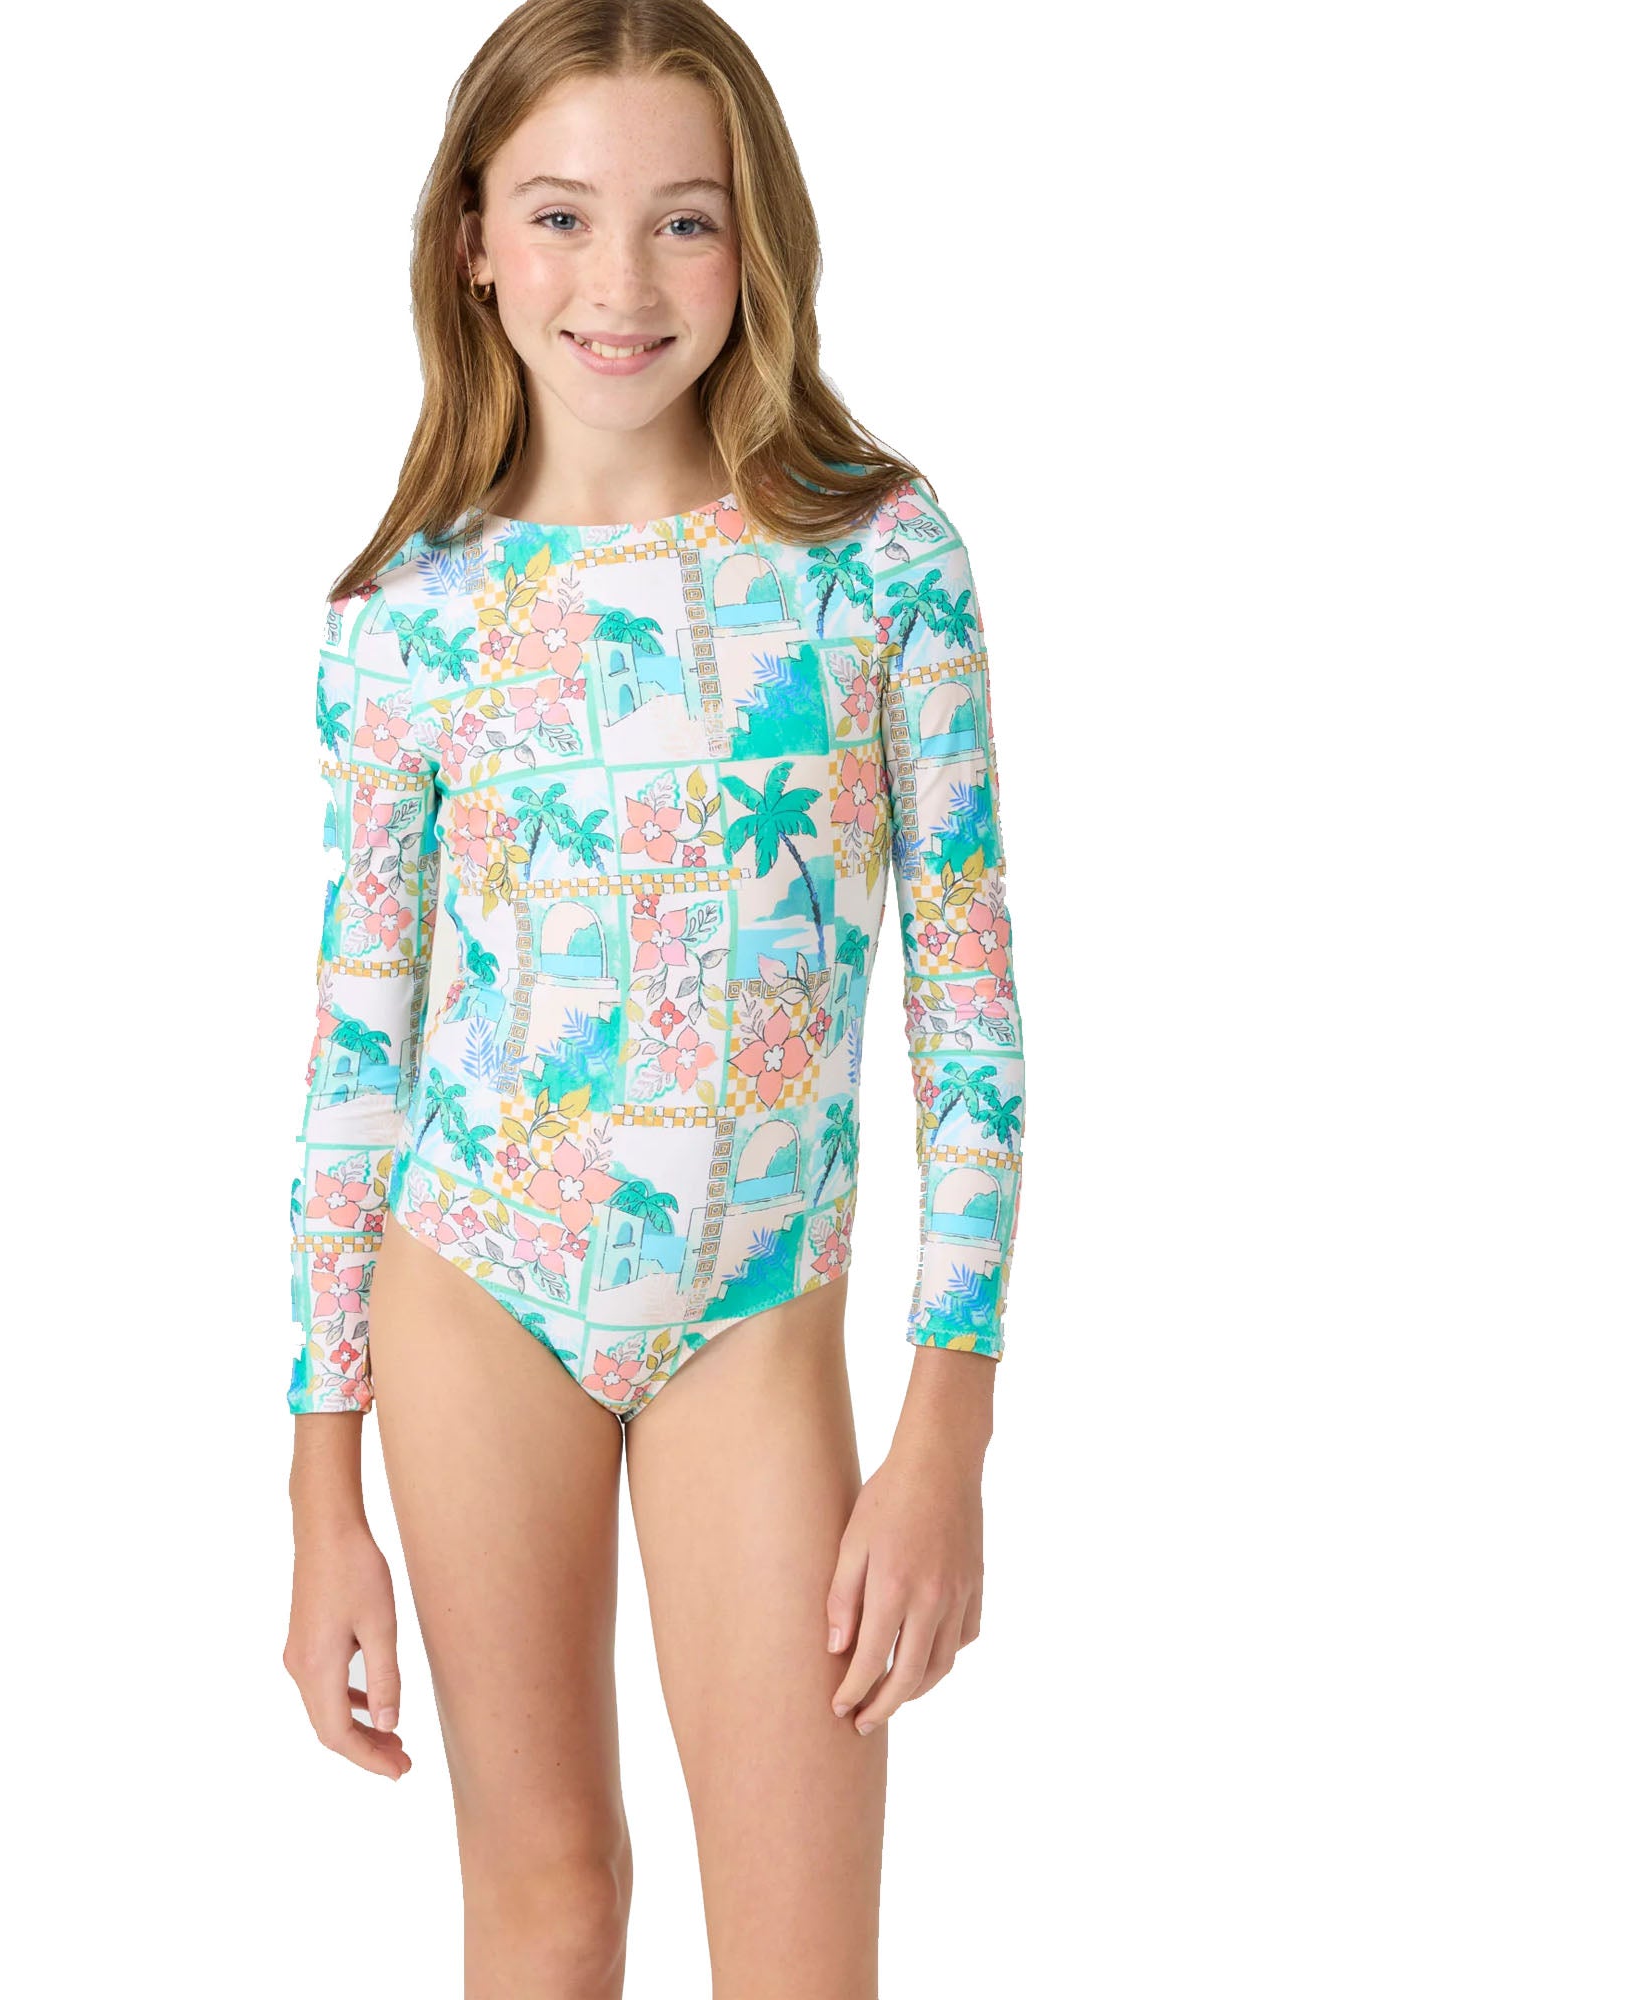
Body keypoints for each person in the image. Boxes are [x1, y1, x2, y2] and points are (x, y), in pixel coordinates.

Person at [283, 2, 1025, 1991]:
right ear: (473, 242)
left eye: (682, 220)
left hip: (751, 1316)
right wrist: (320, 1485)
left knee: (799, 1955)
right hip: (475, 1286)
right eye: (561, 215)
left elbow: (967, 1007)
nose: (619, 282)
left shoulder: (879, 562)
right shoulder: (406, 616)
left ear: (754, 238)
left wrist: (947, 1423)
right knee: (544, 1898)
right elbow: (360, 1042)